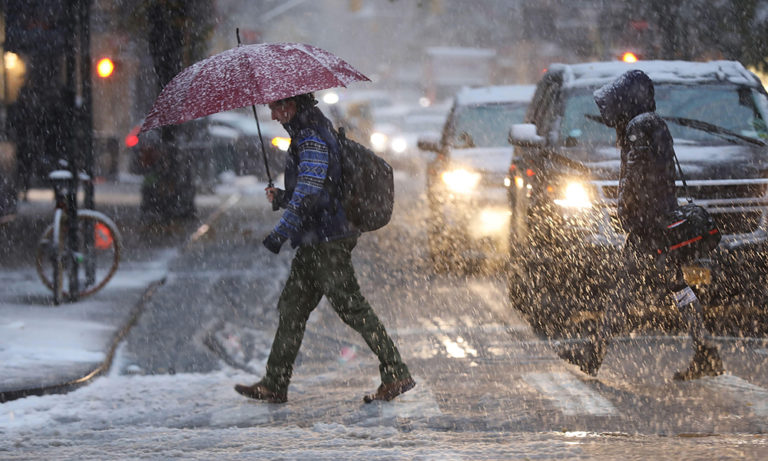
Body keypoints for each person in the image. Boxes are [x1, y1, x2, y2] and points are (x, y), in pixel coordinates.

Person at [234, 93, 415, 403]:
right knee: (292, 308)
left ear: (291, 105)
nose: (273, 115)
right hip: (315, 239)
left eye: (275, 108)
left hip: (328, 239)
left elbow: (309, 195)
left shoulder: (311, 138)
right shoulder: (307, 133)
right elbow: (314, 190)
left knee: (352, 307)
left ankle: (396, 371)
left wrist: (279, 233)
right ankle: (275, 382)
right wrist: (282, 197)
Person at [558, 69, 724, 380]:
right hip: (659, 220)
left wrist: (629, 214)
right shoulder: (652, 123)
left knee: (624, 291)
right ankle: (705, 350)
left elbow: (635, 179)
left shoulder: (639, 127)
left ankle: (596, 353)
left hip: (649, 227)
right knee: (676, 287)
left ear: (627, 100)